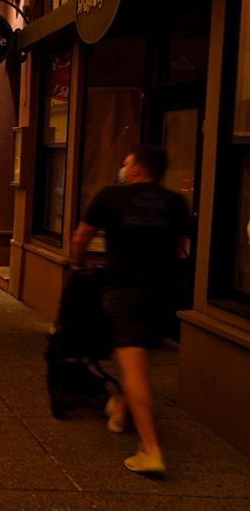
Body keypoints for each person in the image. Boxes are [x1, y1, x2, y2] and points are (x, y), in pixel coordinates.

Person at [70, 145, 190, 475]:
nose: (123, 170)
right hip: (161, 292)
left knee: (133, 364)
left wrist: (80, 264)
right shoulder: (176, 203)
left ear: (136, 170)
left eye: (126, 164)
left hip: (123, 289)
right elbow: (181, 249)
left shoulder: (111, 197)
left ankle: (149, 448)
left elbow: (81, 238)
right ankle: (122, 410)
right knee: (137, 357)